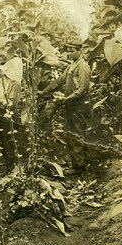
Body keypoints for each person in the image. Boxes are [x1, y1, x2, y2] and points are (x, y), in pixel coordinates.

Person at [39, 41, 91, 176]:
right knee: (73, 134)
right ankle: (80, 164)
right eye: (68, 50)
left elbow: (82, 90)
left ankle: (78, 168)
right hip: (71, 105)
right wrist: (43, 92)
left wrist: (65, 99)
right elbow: (59, 81)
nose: (69, 53)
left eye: (72, 50)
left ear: (79, 51)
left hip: (78, 106)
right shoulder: (72, 66)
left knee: (76, 135)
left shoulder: (83, 67)